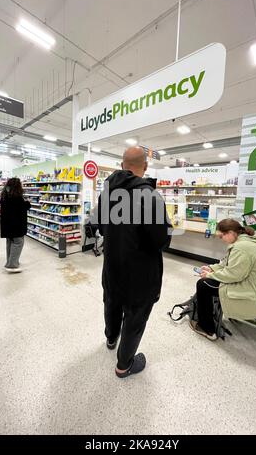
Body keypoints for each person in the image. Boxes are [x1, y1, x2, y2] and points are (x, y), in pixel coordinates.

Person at [98, 146, 171, 378]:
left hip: (112, 265)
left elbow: (100, 227)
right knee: (135, 316)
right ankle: (124, 364)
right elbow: (161, 240)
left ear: (121, 165)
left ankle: (111, 338)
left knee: (111, 302)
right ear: (146, 167)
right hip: (140, 273)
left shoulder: (106, 192)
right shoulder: (150, 197)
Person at [189, 218, 256, 340]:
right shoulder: (247, 241)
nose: (221, 240)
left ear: (231, 233)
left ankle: (207, 328)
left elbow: (233, 274)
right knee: (209, 282)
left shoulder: (241, 247)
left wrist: (209, 275)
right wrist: (212, 268)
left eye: (221, 236)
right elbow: (228, 263)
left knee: (203, 284)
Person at [0, 178, 31, 273]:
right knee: (18, 243)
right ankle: (12, 265)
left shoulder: (5, 194)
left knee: (10, 242)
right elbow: (24, 207)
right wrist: (27, 203)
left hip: (7, 225)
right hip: (16, 225)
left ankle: (10, 262)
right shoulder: (17, 197)